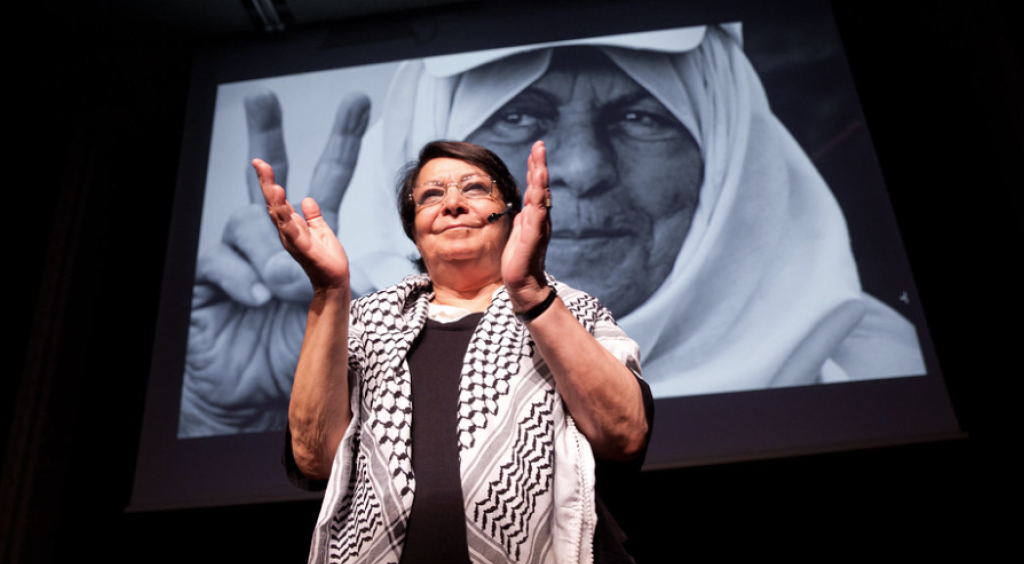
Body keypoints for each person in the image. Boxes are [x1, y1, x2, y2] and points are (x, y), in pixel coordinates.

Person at [180, 23, 926, 437]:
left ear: (732, 167)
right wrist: (222, 409)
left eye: (641, 119)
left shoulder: (872, 380)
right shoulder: (353, 367)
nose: (576, 170)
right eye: (516, 119)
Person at [260, 139, 652, 564]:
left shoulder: (571, 311)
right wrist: (329, 291)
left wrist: (531, 295)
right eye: (430, 195)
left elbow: (625, 434)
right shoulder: (363, 325)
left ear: (512, 216)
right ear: (414, 229)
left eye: (474, 189)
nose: (451, 205)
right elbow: (314, 458)